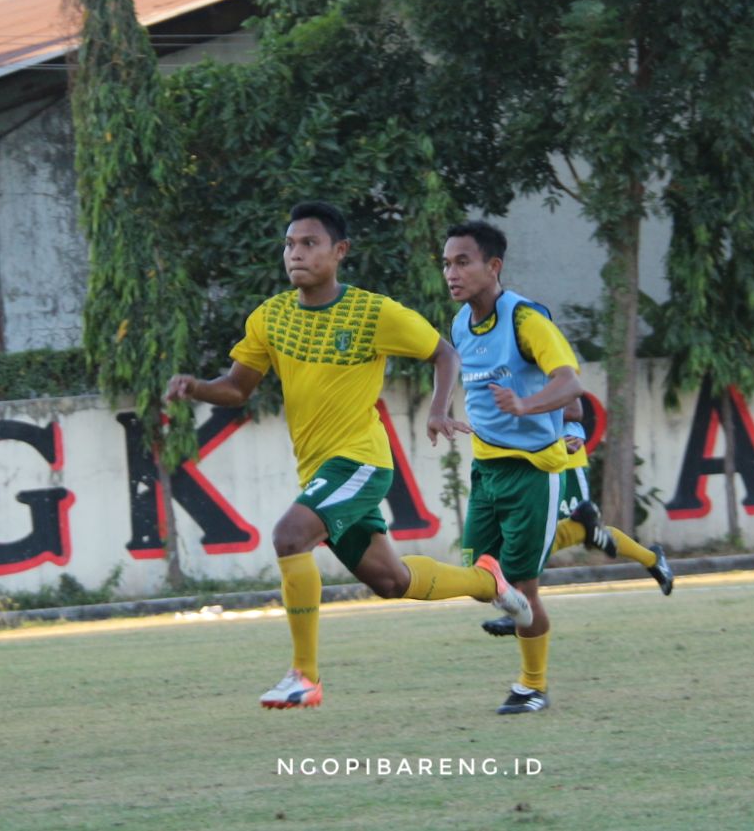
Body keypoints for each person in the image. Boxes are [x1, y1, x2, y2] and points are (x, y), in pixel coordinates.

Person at [165, 202, 530, 711]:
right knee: (390, 581)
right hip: (321, 471)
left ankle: (304, 677)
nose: (296, 253)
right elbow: (236, 388)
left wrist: (437, 409)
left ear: (340, 252)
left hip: (360, 463)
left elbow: (444, 353)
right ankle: (485, 579)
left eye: (309, 243)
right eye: (290, 244)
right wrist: (197, 387)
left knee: (290, 535)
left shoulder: (372, 312)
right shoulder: (269, 318)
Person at [443, 220, 589, 714]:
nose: (451, 272)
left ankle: (532, 686)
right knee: (476, 571)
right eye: (447, 263)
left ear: (493, 266)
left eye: (463, 261)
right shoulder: (461, 323)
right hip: (487, 470)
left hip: (532, 471)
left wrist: (526, 406)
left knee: (524, 586)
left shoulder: (525, 320)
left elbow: (570, 383)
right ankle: (523, 604)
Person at [480, 399, 673, 637]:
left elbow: (571, 403)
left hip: (563, 456)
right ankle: (652, 559)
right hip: (534, 458)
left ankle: (519, 608)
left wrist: (526, 412)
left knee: (556, 535)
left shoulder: (539, 363)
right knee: (541, 536)